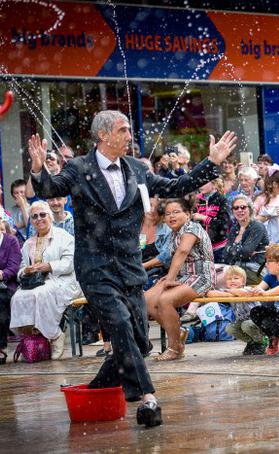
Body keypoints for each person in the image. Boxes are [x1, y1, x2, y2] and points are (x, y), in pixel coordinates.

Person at [28, 110, 238, 427]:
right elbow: (48, 189)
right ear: (103, 135)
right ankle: (147, 400)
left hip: (129, 268)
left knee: (139, 342)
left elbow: (176, 184)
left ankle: (96, 391)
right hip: (96, 268)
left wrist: (211, 163)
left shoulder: (137, 169)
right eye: (124, 130)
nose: (130, 135)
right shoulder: (79, 167)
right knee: (121, 325)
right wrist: (37, 166)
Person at [145, 198, 215, 361]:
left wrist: (169, 279)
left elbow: (182, 252)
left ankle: (174, 347)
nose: (171, 216)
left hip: (201, 276)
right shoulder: (173, 234)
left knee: (164, 301)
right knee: (146, 300)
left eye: (176, 212)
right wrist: (143, 266)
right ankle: (178, 333)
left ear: (188, 214)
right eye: (168, 213)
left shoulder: (192, 228)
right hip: (182, 276)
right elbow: (165, 257)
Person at [10, 201, 80, 360]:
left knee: (41, 294)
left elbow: (69, 264)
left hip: (62, 280)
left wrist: (48, 266)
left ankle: (55, 335)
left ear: (50, 217)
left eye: (43, 215)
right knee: (17, 298)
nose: (39, 219)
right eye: (34, 216)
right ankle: (32, 340)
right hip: (35, 283)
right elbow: (21, 267)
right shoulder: (28, 243)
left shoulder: (64, 237)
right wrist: (25, 270)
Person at [209, 266, 267, 355]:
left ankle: (262, 341)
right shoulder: (228, 292)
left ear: (243, 281)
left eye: (236, 278)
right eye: (229, 279)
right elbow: (212, 293)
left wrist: (228, 292)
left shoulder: (248, 289)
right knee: (229, 328)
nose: (232, 281)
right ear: (225, 282)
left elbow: (244, 293)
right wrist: (228, 292)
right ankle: (252, 342)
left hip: (259, 321)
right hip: (243, 320)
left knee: (246, 325)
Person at [224, 194, 269, 285]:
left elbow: (245, 252)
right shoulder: (235, 228)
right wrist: (238, 251)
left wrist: (232, 249)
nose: (239, 210)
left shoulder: (257, 226)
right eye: (236, 208)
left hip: (255, 270)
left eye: (243, 207)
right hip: (237, 268)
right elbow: (226, 254)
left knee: (223, 281)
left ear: (250, 209)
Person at [192, 178, 230, 263]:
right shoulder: (196, 200)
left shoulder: (221, 199)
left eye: (204, 182)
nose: (200, 185)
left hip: (219, 247)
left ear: (214, 184)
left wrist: (204, 218)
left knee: (219, 274)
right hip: (200, 248)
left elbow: (224, 224)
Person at [0, 221, 21, 365]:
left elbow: (14, 266)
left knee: (0, 301)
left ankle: (1, 347)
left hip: (6, 285)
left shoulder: (10, 241)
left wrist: (2, 274)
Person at [254, 166, 279, 244]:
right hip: (262, 239)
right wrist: (267, 216)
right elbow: (251, 220)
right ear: (275, 184)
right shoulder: (260, 199)